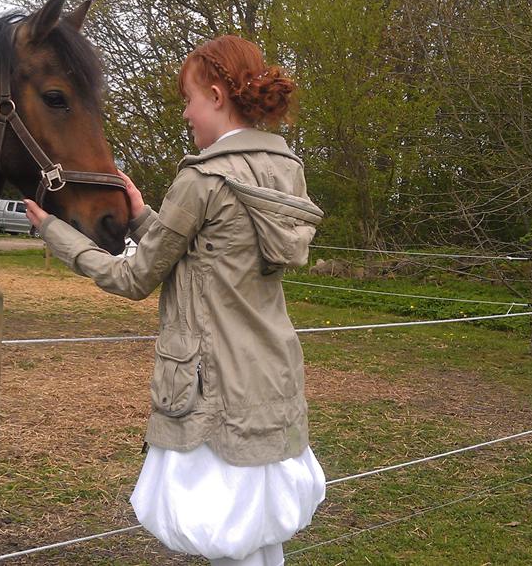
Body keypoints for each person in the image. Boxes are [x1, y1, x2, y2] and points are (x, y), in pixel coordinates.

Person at [25, 35, 325, 566]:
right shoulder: (286, 171)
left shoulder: (202, 178)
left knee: (225, 535)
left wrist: (57, 233)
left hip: (212, 389)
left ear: (216, 95)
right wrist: (143, 215)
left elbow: (134, 277)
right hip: (269, 377)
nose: (185, 113)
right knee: (259, 536)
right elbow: (208, 255)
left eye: (188, 98)